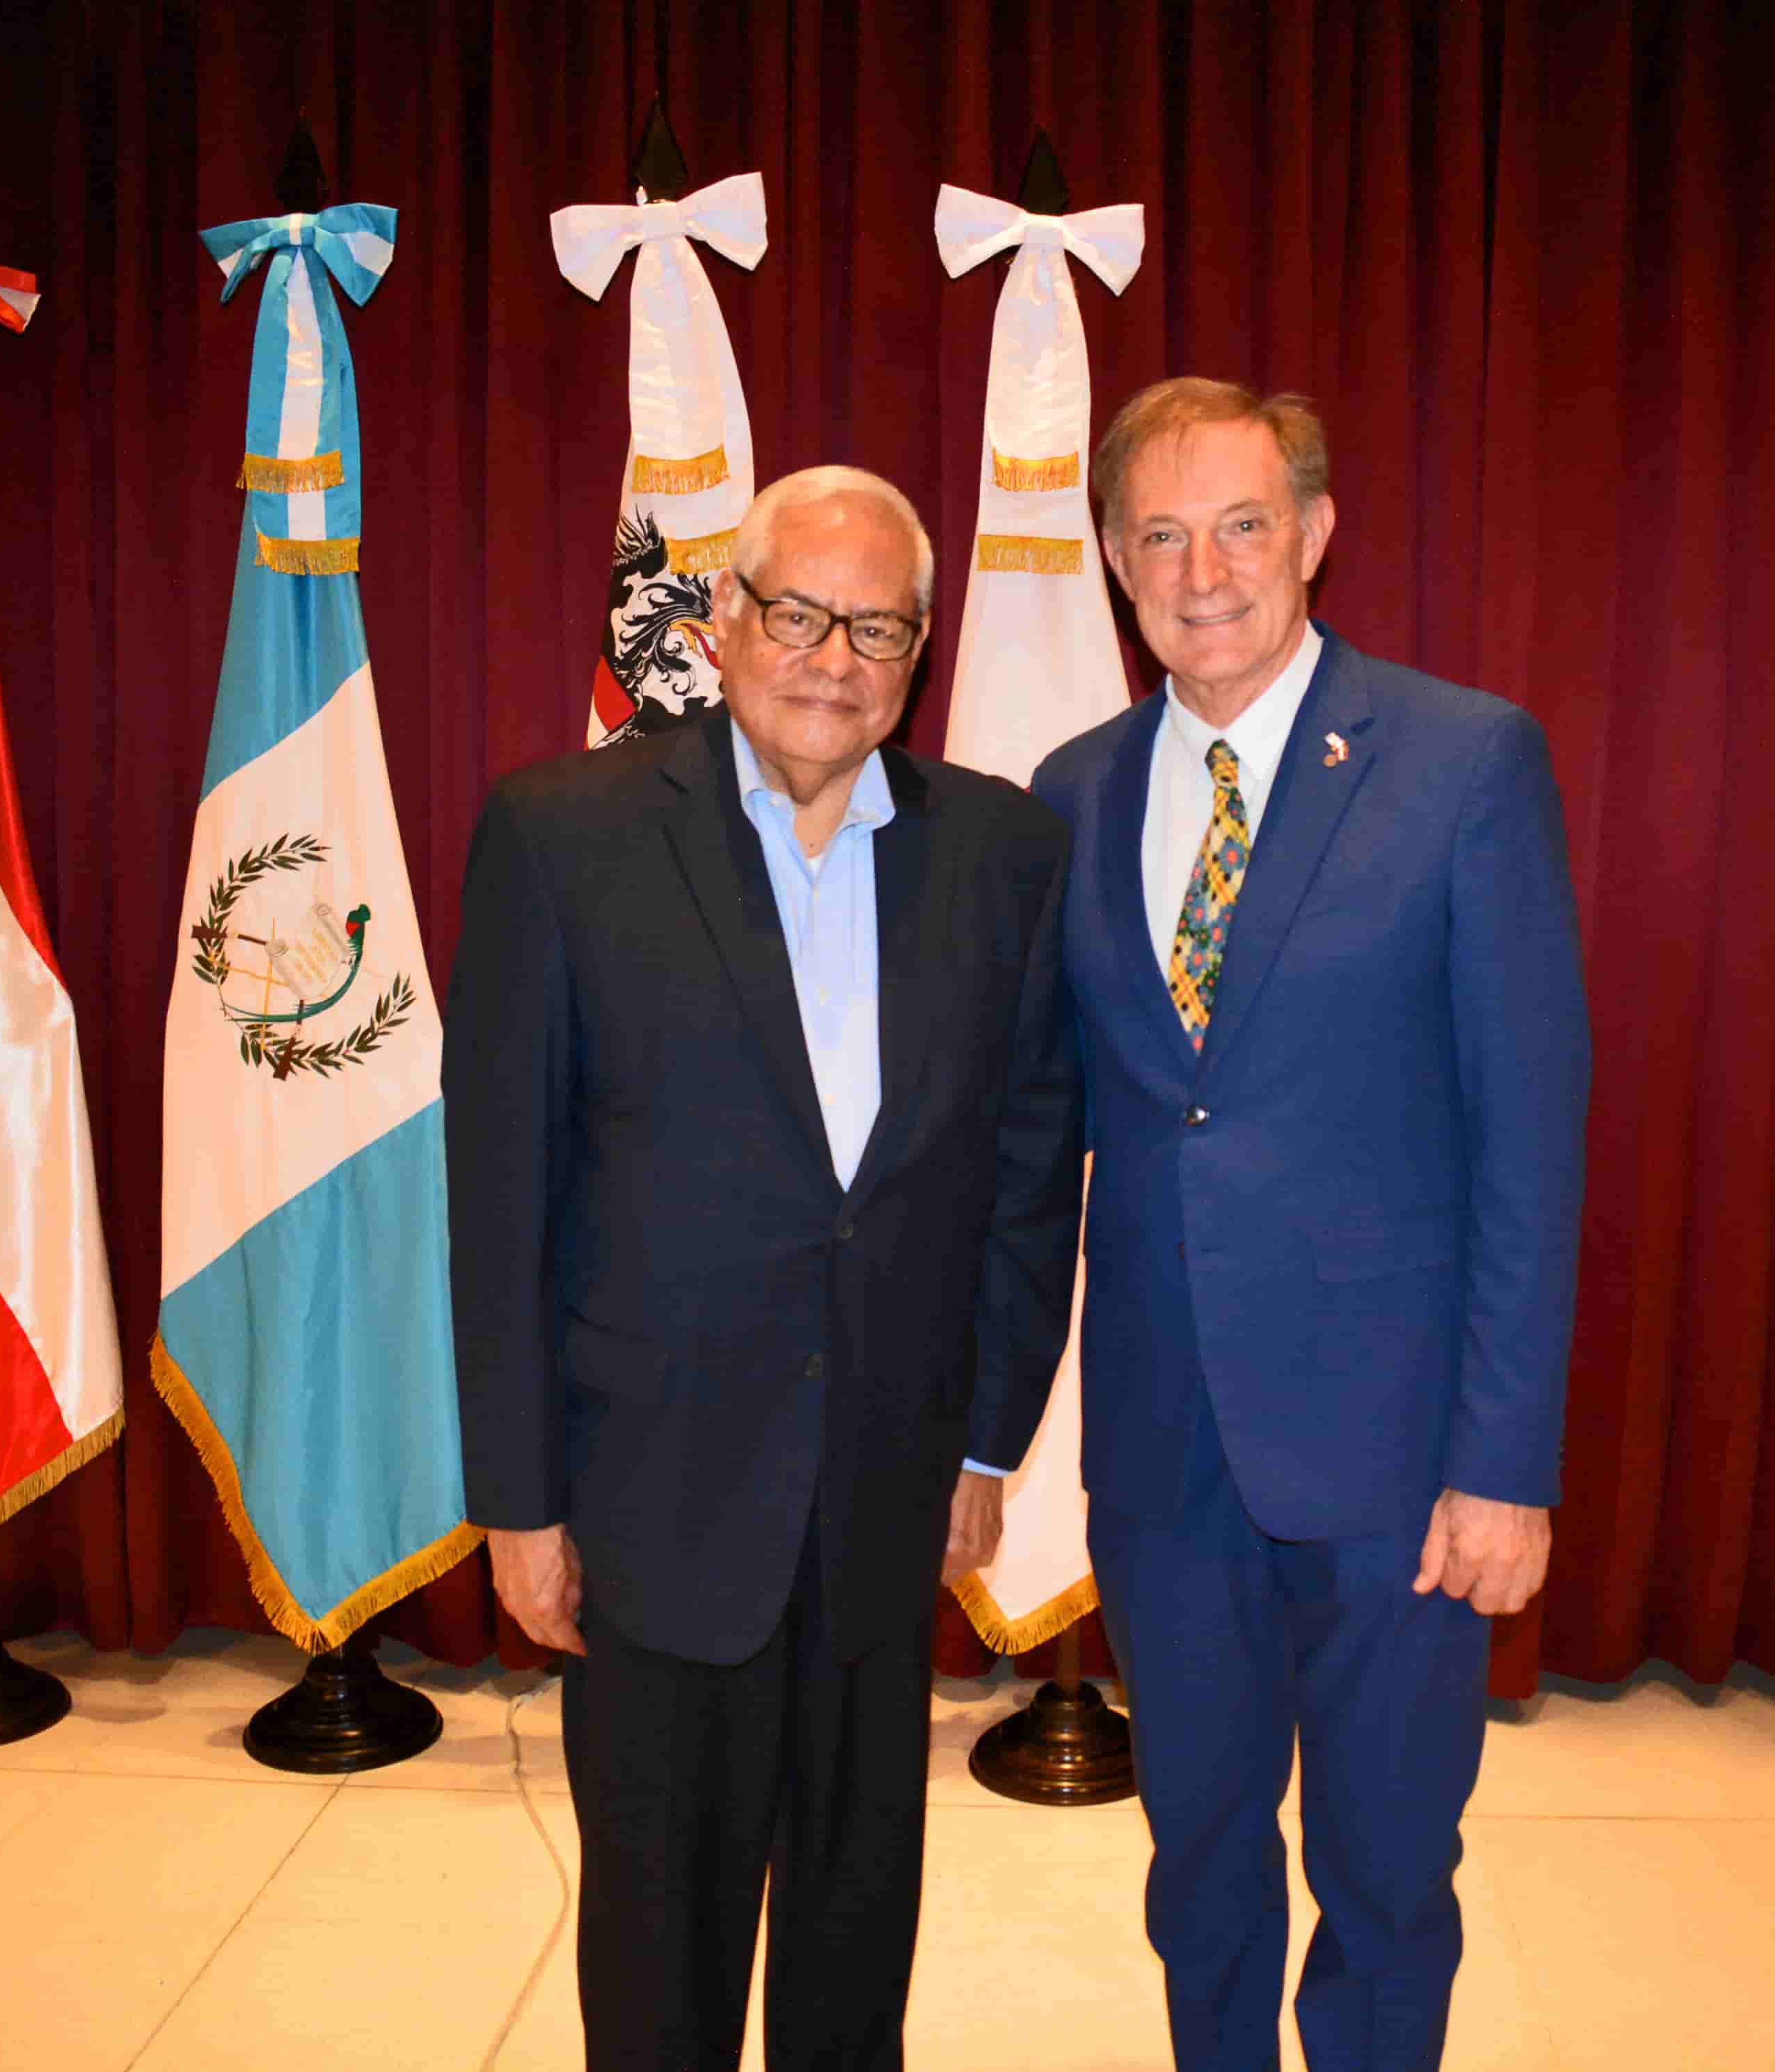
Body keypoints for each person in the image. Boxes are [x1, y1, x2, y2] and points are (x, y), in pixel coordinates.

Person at [445, 465, 1084, 2072]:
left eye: (876, 628)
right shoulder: (563, 834)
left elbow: (1024, 1177)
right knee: (658, 1943)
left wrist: (985, 1445)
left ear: (920, 649)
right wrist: (519, 1501)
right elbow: (502, 1195)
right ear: (722, 619)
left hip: (888, 1489)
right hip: (650, 1491)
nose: (830, 659)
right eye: (796, 613)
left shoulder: (1003, 852)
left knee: (856, 1930)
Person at [1030, 381, 1590, 2072]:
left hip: (1399, 1470)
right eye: (1159, 535)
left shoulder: (1463, 761)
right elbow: (1037, 1137)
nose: (1202, 573)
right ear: (1114, 561)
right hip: (1163, 1461)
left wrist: (1504, 1465)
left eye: (1241, 526)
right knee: (1197, 1869)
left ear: (1316, 535)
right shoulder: (1070, 791)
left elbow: (1528, 1141)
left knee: (1386, 1877)